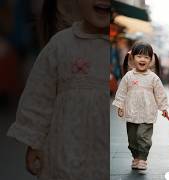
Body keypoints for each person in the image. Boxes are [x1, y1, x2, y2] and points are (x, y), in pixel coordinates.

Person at [6, 0, 110, 179]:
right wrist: (33, 142)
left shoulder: (121, 51)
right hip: (64, 159)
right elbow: (39, 96)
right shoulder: (60, 45)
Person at [112, 41, 169, 170]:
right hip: (131, 112)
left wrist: (164, 107)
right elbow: (121, 91)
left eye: (146, 57)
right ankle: (136, 157)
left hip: (148, 113)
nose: (142, 59)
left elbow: (160, 93)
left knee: (143, 137)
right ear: (132, 58)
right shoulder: (128, 76)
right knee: (132, 139)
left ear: (151, 60)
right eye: (139, 56)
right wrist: (120, 105)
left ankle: (143, 158)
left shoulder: (153, 78)